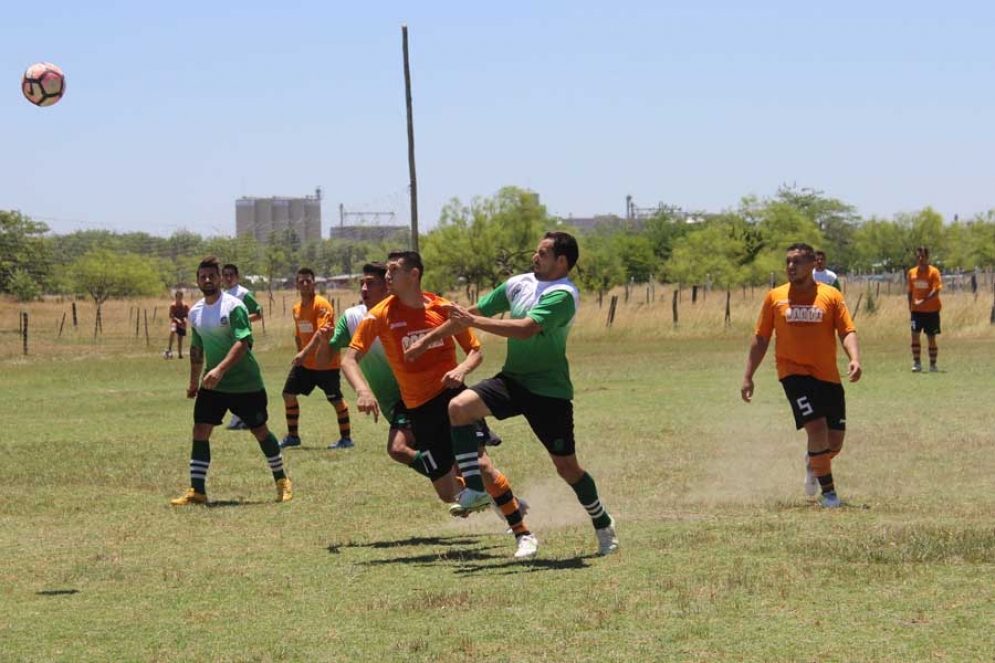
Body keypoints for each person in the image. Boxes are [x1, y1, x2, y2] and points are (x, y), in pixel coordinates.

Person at [405, 231, 619, 556]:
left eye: (543, 253)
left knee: (567, 468)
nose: (535, 257)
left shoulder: (563, 294)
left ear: (562, 261)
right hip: (513, 381)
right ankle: (475, 490)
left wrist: (474, 320)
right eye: (536, 251)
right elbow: (470, 313)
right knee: (459, 407)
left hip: (549, 392)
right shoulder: (519, 283)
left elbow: (526, 329)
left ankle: (603, 522)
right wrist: (425, 341)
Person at [339, 252, 537, 559]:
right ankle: (503, 500)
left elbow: (475, 351)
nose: (386, 276)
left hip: (453, 401)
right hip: (418, 410)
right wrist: (362, 390)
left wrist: (461, 371)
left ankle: (523, 534)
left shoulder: (443, 309)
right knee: (448, 494)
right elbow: (349, 358)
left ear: (413, 274)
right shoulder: (379, 315)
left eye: (393, 271)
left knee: (482, 466)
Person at [741, 242, 862, 508]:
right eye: (788, 262)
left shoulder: (831, 296)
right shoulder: (775, 297)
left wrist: (854, 358)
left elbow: (846, 331)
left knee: (834, 442)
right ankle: (829, 495)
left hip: (828, 376)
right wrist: (749, 375)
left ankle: (814, 462)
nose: (791, 267)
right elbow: (761, 338)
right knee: (816, 428)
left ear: (812, 264)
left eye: (797, 262)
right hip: (793, 373)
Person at [170, 256, 292, 505]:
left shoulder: (234, 306)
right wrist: (194, 382)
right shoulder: (195, 312)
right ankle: (198, 491)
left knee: (260, 431)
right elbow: (196, 349)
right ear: (197, 280)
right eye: (202, 276)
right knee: (200, 430)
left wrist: (220, 369)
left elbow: (243, 342)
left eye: (211, 276)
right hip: (213, 385)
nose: (207, 280)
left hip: (245, 383)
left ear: (219, 279)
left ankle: (282, 480)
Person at [278, 267, 353, 450]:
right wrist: (300, 355)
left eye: (308, 281)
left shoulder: (322, 305)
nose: (305, 284)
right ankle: (293, 436)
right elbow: (298, 335)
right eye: (301, 281)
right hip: (305, 366)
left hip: (326, 363)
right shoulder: (296, 308)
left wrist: (304, 353)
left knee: (335, 400)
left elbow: (321, 333)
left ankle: (346, 439)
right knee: (288, 394)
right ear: (296, 283)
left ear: (314, 283)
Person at [222, 263, 263, 429]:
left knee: (240, 378)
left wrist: (242, 321)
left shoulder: (243, 293)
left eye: (231, 274)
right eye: (225, 275)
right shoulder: (223, 295)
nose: (228, 277)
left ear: (237, 276)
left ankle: (246, 417)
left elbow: (258, 314)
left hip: (242, 340)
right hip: (229, 341)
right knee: (236, 378)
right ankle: (241, 417)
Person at [907, 246, 943, 373]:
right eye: (918, 256)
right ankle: (917, 363)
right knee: (914, 335)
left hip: (931, 311)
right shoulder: (912, 273)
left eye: (923, 256)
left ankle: (933, 365)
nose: (920, 259)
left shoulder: (934, 272)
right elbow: (910, 292)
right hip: (916, 312)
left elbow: (936, 290)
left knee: (931, 337)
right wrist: (910, 307)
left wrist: (923, 301)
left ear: (927, 257)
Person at [164, 290, 190, 359]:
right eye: (178, 297)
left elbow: (187, 315)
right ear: (176, 297)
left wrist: (184, 319)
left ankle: (180, 354)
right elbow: (171, 315)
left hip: (182, 324)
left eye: (180, 296)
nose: (179, 298)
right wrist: (177, 320)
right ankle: (169, 348)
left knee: (180, 338)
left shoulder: (185, 306)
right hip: (174, 322)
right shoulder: (173, 305)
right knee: (173, 330)